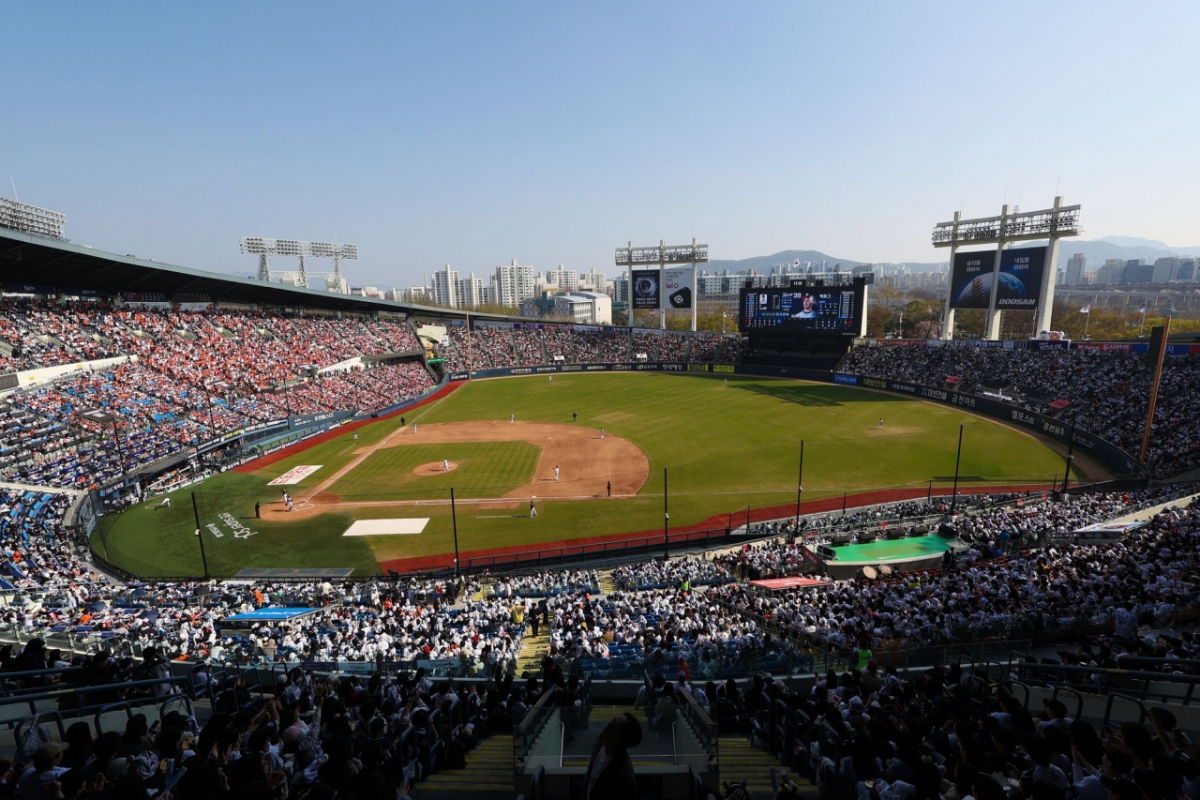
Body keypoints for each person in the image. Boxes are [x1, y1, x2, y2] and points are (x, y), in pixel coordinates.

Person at [585, 713, 641, 800]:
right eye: (612, 720)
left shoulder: (624, 776)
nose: (609, 724)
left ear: (621, 739)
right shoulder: (600, 742)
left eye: (615, 725)